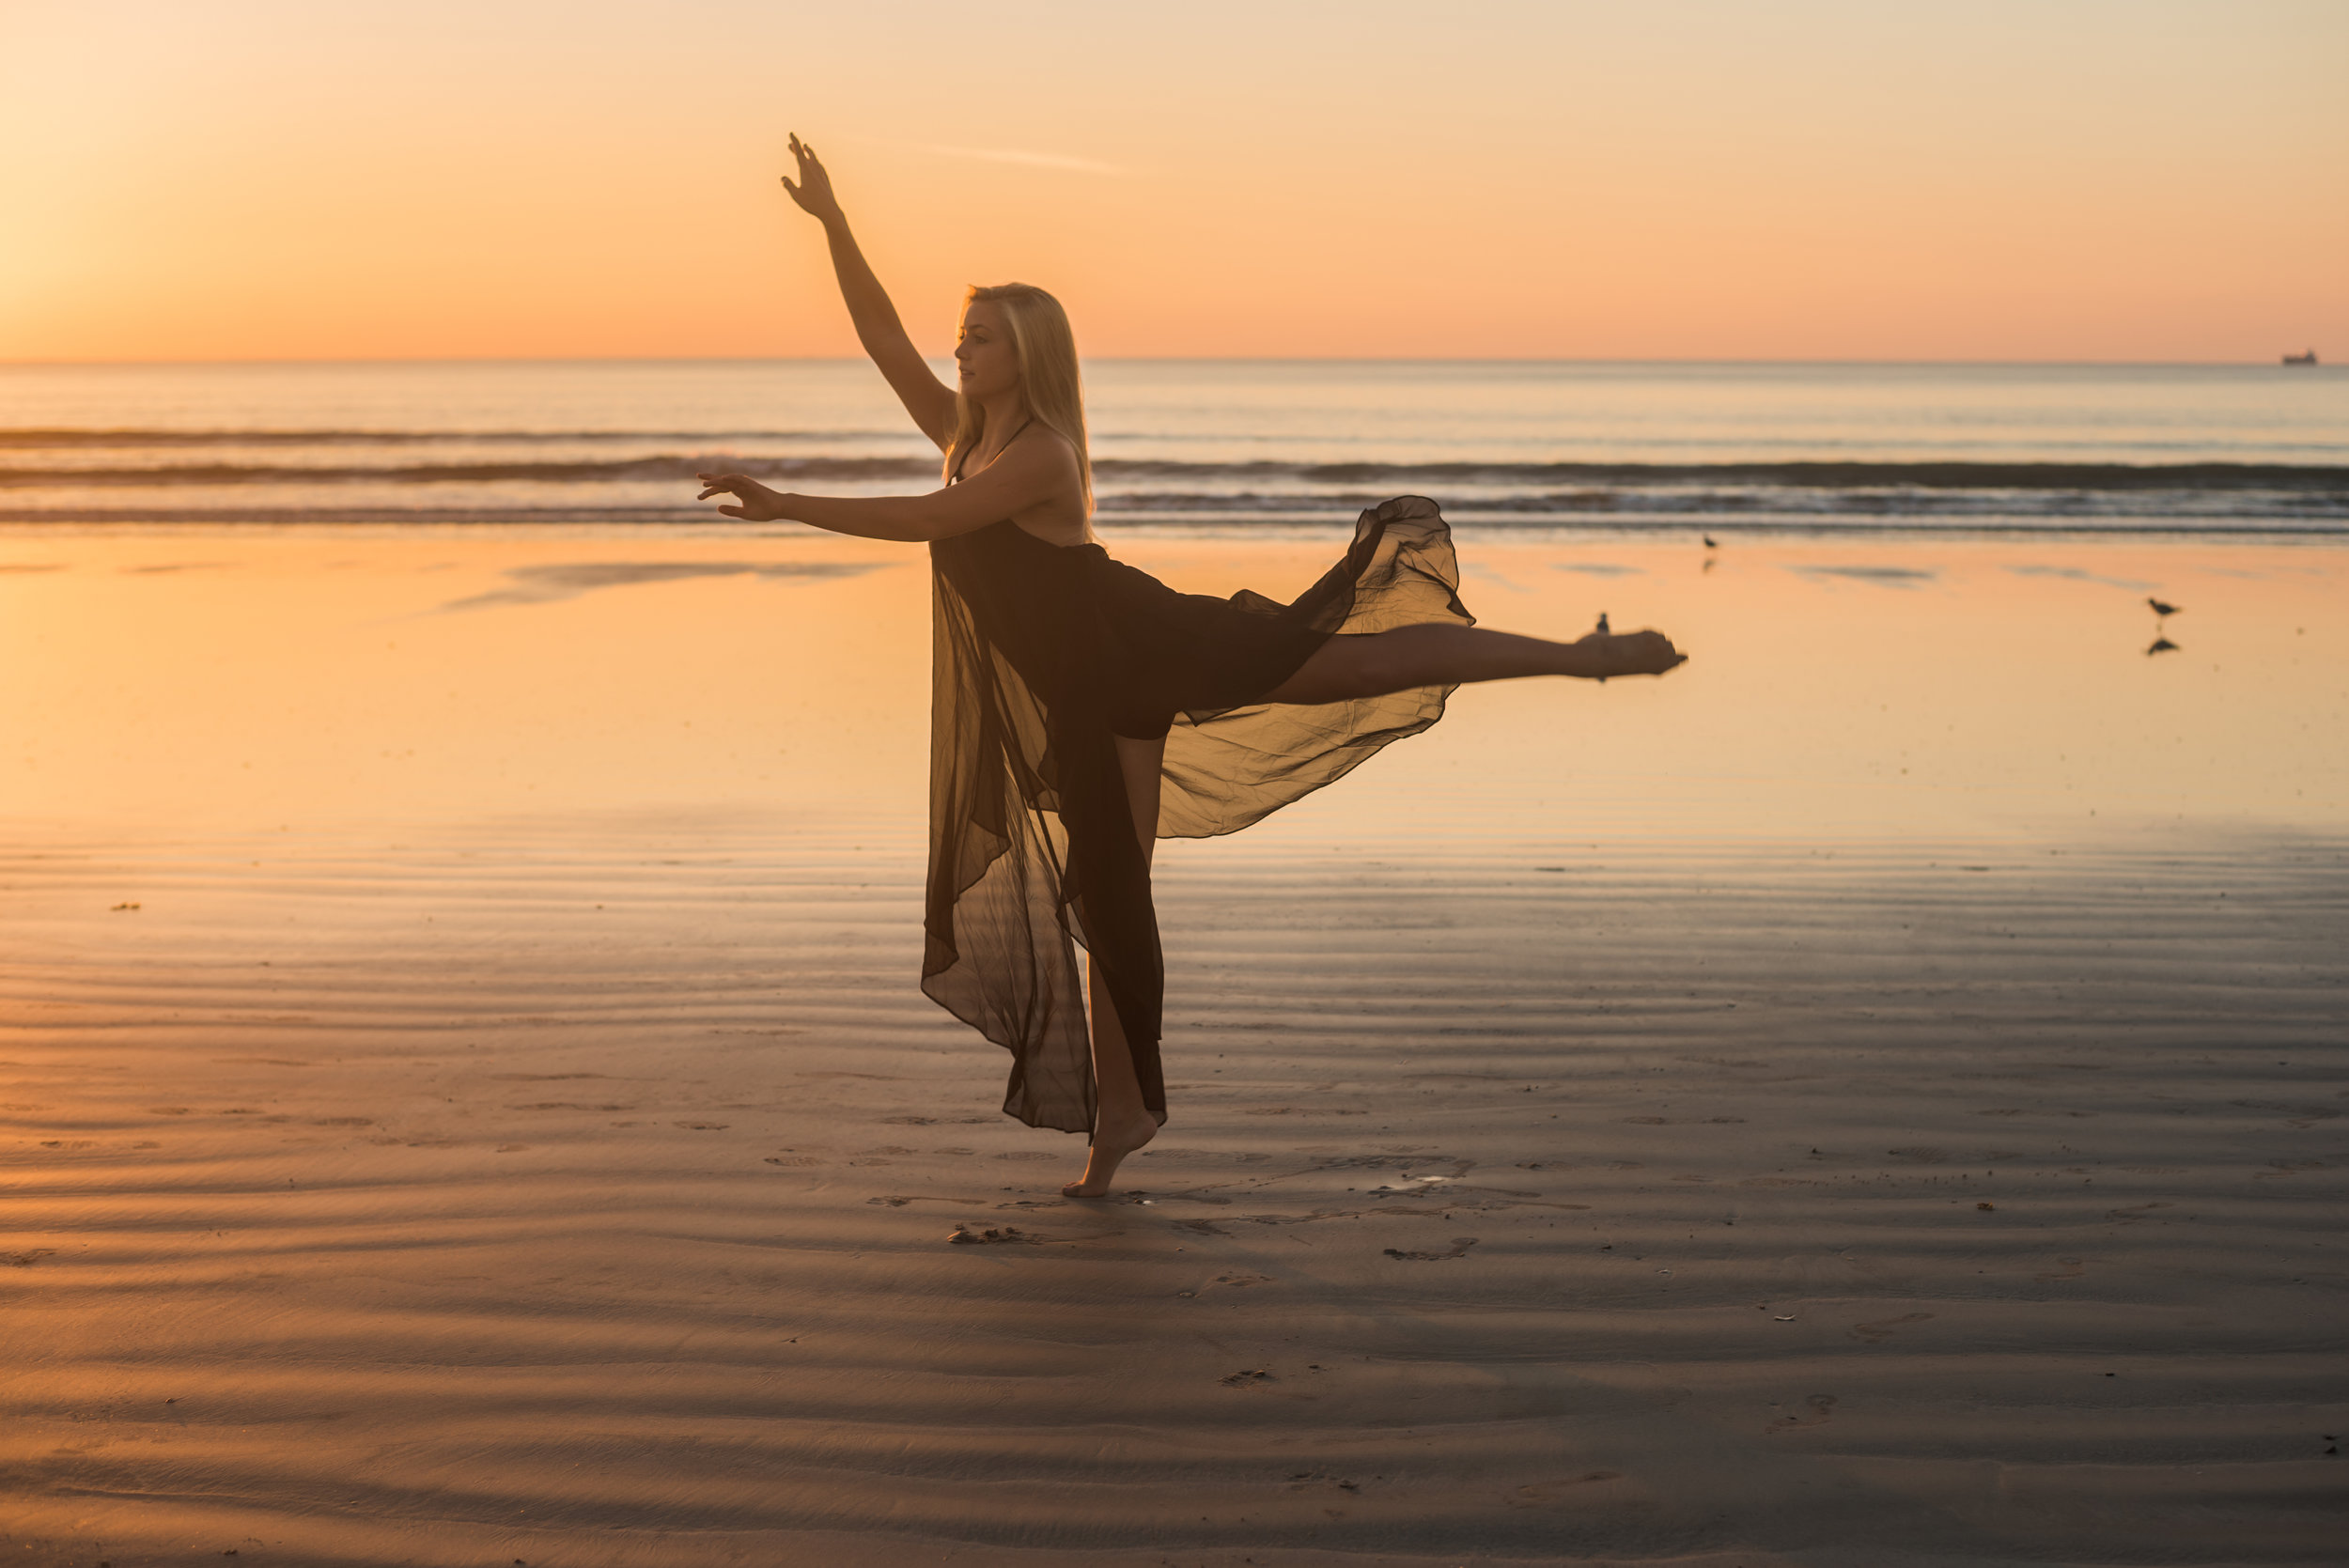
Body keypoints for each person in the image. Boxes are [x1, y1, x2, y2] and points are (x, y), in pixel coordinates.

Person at [697, 135, 1686, 1199]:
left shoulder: (1039, 453)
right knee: (1110, 892)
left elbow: (929, 519)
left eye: (979, 339)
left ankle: (1579, 658)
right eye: (962, 335)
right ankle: (1122, 1118)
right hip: (1088, 689)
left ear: (1027, 355)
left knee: (1349, 670)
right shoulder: (963, 432)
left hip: (1142, 645)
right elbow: (884, 338)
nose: (959, 351)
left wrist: (787, 502)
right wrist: (836, 224)